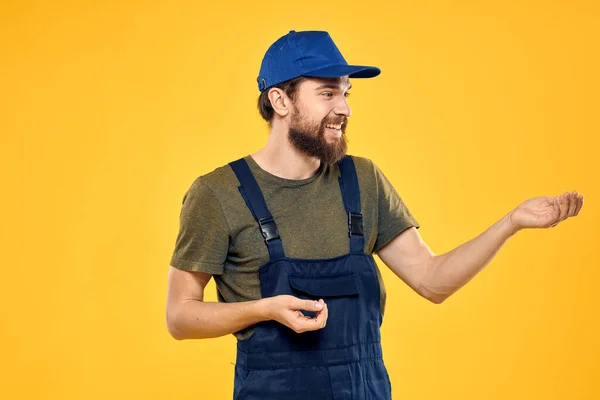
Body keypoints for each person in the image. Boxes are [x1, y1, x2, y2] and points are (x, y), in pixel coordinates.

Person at [165, 30, 584, 400]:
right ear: (280, 100)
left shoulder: (362, 179)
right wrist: (265, 309)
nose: (344, 108)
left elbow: (433, 281)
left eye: (347, 93)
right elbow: (180, 317)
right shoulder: (218, 193)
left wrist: (510, 223)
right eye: (328, 93)